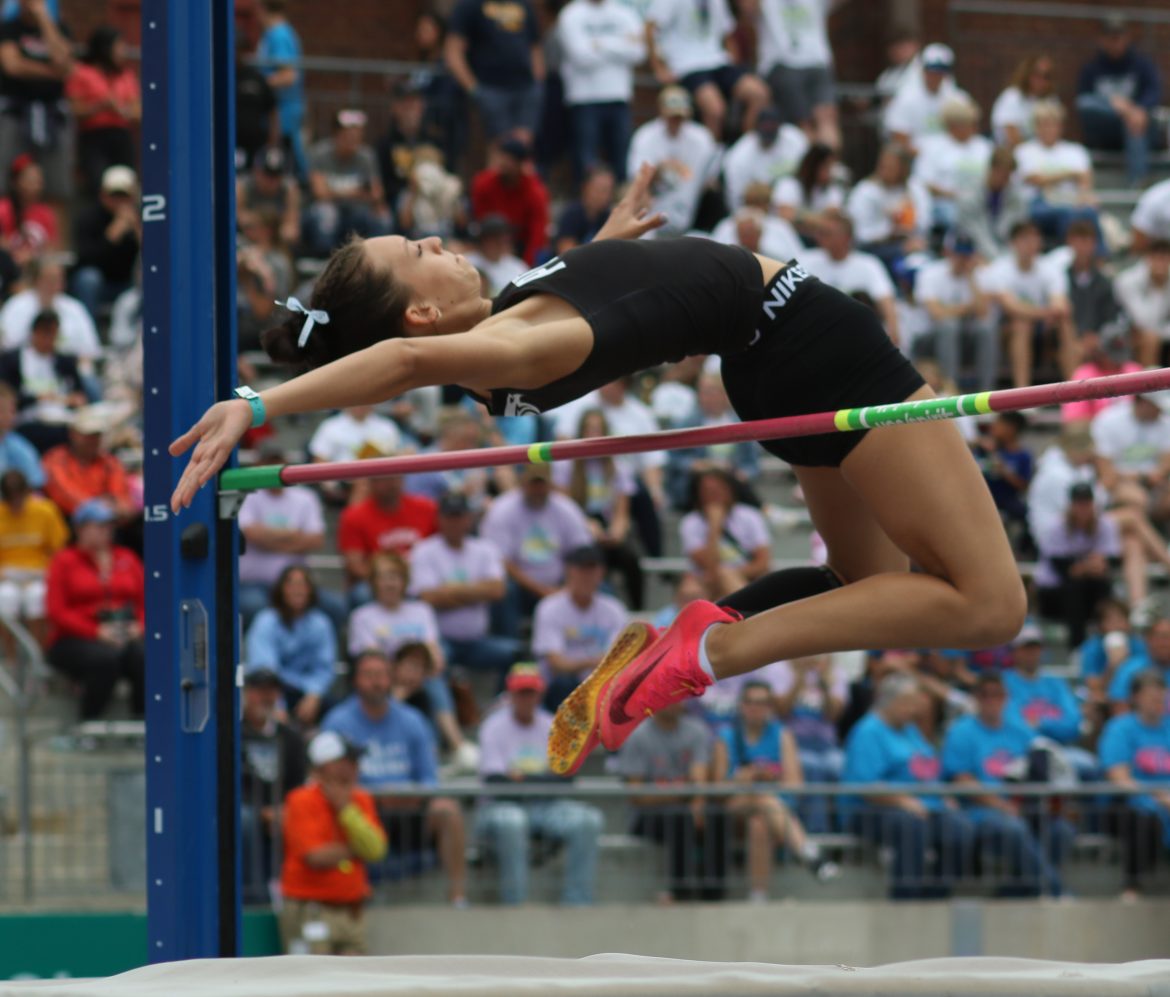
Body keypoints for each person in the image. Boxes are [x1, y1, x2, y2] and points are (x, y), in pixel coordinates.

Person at [168, 164, 1029, 785]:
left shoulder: (509, 326)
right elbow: (400, 362)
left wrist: (612, 244)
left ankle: (705, 625)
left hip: (768, 366)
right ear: (423, 312)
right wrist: (258, 403)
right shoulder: (518, 343)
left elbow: (604, 302)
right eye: (415, 248)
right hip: (811, 339)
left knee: (866, 584)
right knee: (990, 603)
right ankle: (716, 646)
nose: (435, 236)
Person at [320, 649, 467, 906]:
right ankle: (352, 893)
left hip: (409, 807)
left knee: (448, 810)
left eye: (382, 675)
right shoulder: (338, 721)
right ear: (355, 680)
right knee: (342, 807)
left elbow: (429, 777)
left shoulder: (412, 720)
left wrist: (412, 794)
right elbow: (329, 778)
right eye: (369, 675)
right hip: (364, 807)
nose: (377, 682)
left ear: (391, 679)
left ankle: (457, 897)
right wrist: (376, 796)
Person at [475, 662, 604, 905]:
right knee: (512, 821)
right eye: (521, 692)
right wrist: (543, 779)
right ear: (510, 694)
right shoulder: (493, 727)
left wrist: (521, 779)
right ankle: (515, 903)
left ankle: (578, 901)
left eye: (531, 692)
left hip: (546, 804)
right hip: (500, 806)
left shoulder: (552, 724)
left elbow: (567, 778)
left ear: (540, 693)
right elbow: (495, 782)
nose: (526, 698)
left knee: (588, 820)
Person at [842, 673, 975, 900]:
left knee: (959, 828)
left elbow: (929, 768)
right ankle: (906, 899)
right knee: (911, 826)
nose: (914, 710)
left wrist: (944, 796)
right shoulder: (868, 731)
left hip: (923, 806)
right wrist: (903, 801)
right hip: (873, 811)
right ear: (889, 701)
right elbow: (865, 785)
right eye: (908, 703)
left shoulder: (910, 730)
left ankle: (936, 897)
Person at [941, 671, 1071, 897]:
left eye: (997, 695)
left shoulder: (1020, 730)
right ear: (976, 698)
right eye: (985, 695)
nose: (992, 700)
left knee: (1061, 831)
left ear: (1006, 698)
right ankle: (1054, 891)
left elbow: (1037, 769)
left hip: (1021, 806)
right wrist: (1001, 805)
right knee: (1013, 828)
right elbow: (962, 780)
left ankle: (1015, 892)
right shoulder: (961, 732)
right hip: (979, 812)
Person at [711, 679, 838, 900]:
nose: (755, 708)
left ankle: (758, 896)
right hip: (734, 807)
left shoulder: (782, 735)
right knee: (762, 799)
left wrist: (772, 778)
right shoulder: (726, 738)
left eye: (761, 703)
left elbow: (795, 785)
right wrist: (743, 778)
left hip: (773, 811)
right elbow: (718, 789)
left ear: (770, 707)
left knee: (759, 823)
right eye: (750, 702)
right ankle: (807, 851)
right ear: (741, 705)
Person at [345, 551, 464, 755]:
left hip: (423, 675)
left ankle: (454, 746)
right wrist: (402, 673)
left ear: (405, 582)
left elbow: (433, 650)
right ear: (374, 583)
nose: (390, 584)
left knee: (435, 681)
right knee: (393, 687)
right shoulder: (362, 616)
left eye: (396, 577)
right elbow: (370, 659)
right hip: (384, 679)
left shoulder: (421, 610)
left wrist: (418, 670)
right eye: (384, 578)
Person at [279, 730, 386, 954]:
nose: (355, 766)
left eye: (355, 761)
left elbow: (376, 850)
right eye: (347, 760)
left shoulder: (361, 799)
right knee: (311, 983)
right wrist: (357, 849)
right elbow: (315, 856)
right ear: (326, 764)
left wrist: (345, 809)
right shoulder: (301, 800)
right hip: (310, 910)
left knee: (356, 984)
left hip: (351, 911)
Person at [619, 702, 730, 902]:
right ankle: (681, 892)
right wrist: (682, 795)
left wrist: (697, 802)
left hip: (684, 806)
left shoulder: (696, 730)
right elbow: (637, 795)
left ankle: (715, 893)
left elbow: (699, 775)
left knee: (715, 814)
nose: (675, 702)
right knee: (679, 816)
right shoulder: (639, 736)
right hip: (647, 815)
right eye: (669, 697)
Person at [45, 499, 144, 720]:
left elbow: (145, 601)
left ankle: (143, 723)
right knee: (104, 659)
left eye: (109, 525)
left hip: (124, 631)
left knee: (143, 656)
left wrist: (140, 625)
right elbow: (57, 612)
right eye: (99, 525)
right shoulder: (64, 561)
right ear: (80, 528)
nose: (106, 531)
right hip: (74, 638)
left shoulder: (126, 557)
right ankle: (89, 722)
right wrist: (95, 632)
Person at [410, 490, 518, 680]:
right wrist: (477, 591)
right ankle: (444, 710)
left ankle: (502, 706)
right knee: (432, 661)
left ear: (468, 519)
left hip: (478, 641)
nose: (454, 522)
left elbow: (498, 590)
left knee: (518, 654)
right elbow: (428, 597)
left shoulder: (485, 549)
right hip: (440, 641)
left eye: (458, 516)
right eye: (449, 516)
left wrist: (449, 590)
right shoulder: (424, 550)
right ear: (439, 519)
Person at [479, 464, 593, 639]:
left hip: (562, 584)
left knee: (595, 584)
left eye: (542, 484)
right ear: (522, 482)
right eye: (534, 483)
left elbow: (581, 554)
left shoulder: (566, 508)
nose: (538, 489)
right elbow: (501, 561)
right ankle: (512, 650)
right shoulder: (502, 509)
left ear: (551, 484)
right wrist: (542, 590)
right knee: (504, 589)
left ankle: (589, 648)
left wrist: (569, 587)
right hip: (521, 588)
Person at [553, 408, 643, 608]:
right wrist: (587, 527)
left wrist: (615, 533)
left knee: (631, 558)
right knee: (590, 556)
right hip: (576, 523)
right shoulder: (566, 465)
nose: (593, 434)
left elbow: (622, 511)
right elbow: (564, 505)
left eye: (598, 429)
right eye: (589, 429)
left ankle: (638, 609)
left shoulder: (618, 467)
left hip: (606, 523)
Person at [644, 0, 769, 141]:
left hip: (718, 61)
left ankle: (745, 152)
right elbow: (649, 28)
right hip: (686, 65)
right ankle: (711, 158)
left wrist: (732, 58)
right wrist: (658, 68)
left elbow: (727, 32)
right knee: (715, 110)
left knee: (759, 93)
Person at [236, 446, 332, 630]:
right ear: (258, 465)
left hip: (298, 583)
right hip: (255, 584)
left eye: (277, 462)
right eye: (269, 463)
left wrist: (268, 540)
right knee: (255, 607)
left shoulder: (306, 496)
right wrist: (292, 535)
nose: (273, 467)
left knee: (334, 608)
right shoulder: (246, 493)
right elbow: (251, 534)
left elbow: (316, 540)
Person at [1100, 669, 1170, 900]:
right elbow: (1118, 776)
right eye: (1152, 697)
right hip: (1131, 805)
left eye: (1161, 697)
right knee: (1142, 818)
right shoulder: (1120, 728)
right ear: (1136, 698)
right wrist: (1157, 796)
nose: (1158, 702)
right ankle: (1133, 886)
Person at [531, 543, 628, 711]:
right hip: (563, 686)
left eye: (592, 570)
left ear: (601, 573)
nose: (587, 576)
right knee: (563, 682)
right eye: (581, 569)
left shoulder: (614, 609)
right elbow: (556, 663)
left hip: (601, 683)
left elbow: (618, 659)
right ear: (570, 571)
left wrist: (580, 663)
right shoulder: (550, 607)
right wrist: (593, 661)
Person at [976, 219, 1070, 389]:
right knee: (1021, 324)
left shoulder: (1050, 268)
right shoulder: (999, 269)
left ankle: (1076, 392)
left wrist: (1052, 313)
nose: (1031, 244)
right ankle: (1023, 390)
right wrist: (1046, 313)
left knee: (1065, 321)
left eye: (1034, 238)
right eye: (1025, 238)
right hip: (1005, 331)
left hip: (1043, 328)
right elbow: (1011, 307)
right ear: (1013, 243)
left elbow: (1060, 305)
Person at [556, 0, 643, 183]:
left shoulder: (624, 13)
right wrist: (619, 44)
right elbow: (580, 55)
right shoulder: (571, 14)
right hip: (583, 99)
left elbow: (638, 52)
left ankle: (620, 206)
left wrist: (597, 43)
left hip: (618, 96)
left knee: (622, 160)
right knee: (586, 163)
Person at [240, 667, 306, 904]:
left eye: (271, 691)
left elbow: (298, 782)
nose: (266, 697)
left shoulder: (291, 737)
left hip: (283, 807)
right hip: (246, 808)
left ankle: (299, 897)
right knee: (245, 821)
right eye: (259, 691)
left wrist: (285, 809)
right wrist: (263, 811)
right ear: (247, 693)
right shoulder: (232, 734)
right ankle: (254, 896)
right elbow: (231, 782)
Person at [245, 564, 338, 729]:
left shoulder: (321, 623)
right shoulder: (266, 621)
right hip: (273, 691)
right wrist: (277, 705)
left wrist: (314, 695)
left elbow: (324, 668)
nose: (297, 590)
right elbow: (265, 668)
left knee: (334, 708)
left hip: (307, 691)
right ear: (281, 590)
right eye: (291, 584)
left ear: (311, 591)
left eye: (303, 585)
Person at [1076, 15, 1161, 188]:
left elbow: (1155, 91)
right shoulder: (1092, 68)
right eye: (1110, 37)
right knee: (1085, 103)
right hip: (1105, 127)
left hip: (1136, 127)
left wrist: (1136, 110)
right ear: (1102, 39)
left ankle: (1137, 183)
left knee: (1134, 123)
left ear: (1127, 37)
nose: (1115, 42)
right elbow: (1083, 99)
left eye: (1118, 37)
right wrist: (1114, 104)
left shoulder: (1141, 64)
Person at [0, 0, 73, 202]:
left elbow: (65, 65)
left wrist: (44, 19)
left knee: (56, 187)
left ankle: (54, 233)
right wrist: (52, 72)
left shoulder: (60, 29)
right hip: (16, 111)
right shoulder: (9, 28)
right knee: (6, 180)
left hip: (53, 115)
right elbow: (12, 66)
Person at [1033, 483, 1120, 649]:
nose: (1083, 509)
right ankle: (1077, 646)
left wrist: (1091, 566)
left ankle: (1108, 639)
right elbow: (1063, 569)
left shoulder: (1105, 524)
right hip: (1053, 594)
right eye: (1079, 504)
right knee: (1075, 588)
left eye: (1086, 503)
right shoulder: (1056, 527)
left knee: (1101, 586)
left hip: (1088, 590)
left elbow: (1111, 559)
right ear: (1071, 505)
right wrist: (1090, 565)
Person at [446, 0, 543, 145]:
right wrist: (475, 89)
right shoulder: (469, 5)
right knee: (500, 149)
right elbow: (453, 51)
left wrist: (537, 86)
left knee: (524, 148)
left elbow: (535, 48)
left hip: (526, 88)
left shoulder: (524, 4)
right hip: (490, 88)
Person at [626, 87, 717, 237]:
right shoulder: (645, 137)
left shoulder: (702, 139)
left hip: (690, 214)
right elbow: (637, 181)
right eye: (672, 117)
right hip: (652, 216)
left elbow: (710, 180)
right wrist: (657, 174)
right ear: (661, 112)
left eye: (679, 117)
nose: (676, 121)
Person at [751, 0, 841, 149]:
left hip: (817, 61)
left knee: (827, 117)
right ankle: (813, 168)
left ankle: (827, 166)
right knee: (803, 123)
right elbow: (747, 9)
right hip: (783, 63)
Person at [801, 209, 899, 344]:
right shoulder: (805, 260)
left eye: (827, 233)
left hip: (857, 333)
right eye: (819, 232)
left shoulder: (868, 264)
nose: (820, 237)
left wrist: (893, 331)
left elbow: (885, 299)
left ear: (846, 237)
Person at [913, 230, 995, 390]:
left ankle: (987, 391)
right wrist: (966, 308)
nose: (962, 260)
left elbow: (984, 313)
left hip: (964, 336)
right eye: (958, 254)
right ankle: (951, 390)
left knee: (986, 328)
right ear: (948, 252)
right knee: (949, 326)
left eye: (967, 255)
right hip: (930, 338)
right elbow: (936, 313)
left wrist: (971, 277)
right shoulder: (931, 273)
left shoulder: (978, 275)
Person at [305, 110, 392, 258]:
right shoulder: (320, 153)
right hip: (328, 210)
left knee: (383, 217)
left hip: (357, 211)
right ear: (336, 133)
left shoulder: (366, 156)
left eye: (357, 133)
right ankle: (323, 259)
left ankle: (376, 261)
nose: (353, 137)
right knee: (326, 214)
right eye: (347, 133)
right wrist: (356, 192)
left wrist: (338, 192)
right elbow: (320, 193)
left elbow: (377, 193)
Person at [337, 475, 437, 602]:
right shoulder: (354, 516)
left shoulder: (426, 507)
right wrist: (391, 578)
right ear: (371, 483)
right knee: (362, 594)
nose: (392, 483)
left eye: (396, 477)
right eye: (385, 478)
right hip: (380, 581)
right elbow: (355, 566)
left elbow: (443, 548)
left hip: (422, 577)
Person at [65, 25, 138, 196]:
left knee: (125, 183)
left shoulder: (125, 75)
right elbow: (73, 109)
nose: (123, 51)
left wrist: (121, 109)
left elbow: (137, 110)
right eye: (118, 46)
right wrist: (99, 106)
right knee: (97, 184)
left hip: (120, 135)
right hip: (94, 137)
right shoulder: (83, 73)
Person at [1014, 101, 1099, 247]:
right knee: (1067, 214)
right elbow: (1036, 179)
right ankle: (1069, 254)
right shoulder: (1024, 151)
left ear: (1060, 127)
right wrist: (1070, 173)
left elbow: (1086, 179)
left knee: (1089, 212)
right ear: (1036, 126)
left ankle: (1098, 258)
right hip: (1037, 203)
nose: (1049, 129)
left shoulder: (1076, 151)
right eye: (1044, 124)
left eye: (1053, 124)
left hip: (1071, 200)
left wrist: (1085, 195)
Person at [679, 466, 769, 600]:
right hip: (709, 583)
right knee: (691, 589)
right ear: (698, 494)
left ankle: (745, 612)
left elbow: (763, 563)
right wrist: (714, 527)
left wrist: (733, 573)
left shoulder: (750, 516)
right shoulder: (690, 523)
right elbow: (708, 568)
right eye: (708, 491)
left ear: (730, 489)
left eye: (718, 489)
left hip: (748, 578)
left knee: (725, 575)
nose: (715, 494)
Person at [912, 93, 993, 232]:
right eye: (965, 124)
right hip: (947, 204)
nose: (972, 128)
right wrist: (954, 195)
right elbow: (924, 182)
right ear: (952, 126)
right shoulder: (933, 147)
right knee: (958, 215)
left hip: (981, 202)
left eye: (972, 124)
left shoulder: (985, 147)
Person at [0, 466, 63, 643]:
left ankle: (38, 656)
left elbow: (58, 549)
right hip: (6, 577)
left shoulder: (45, 511)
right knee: (6, 599)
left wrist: (50, 573)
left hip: (39, 574)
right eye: (10, 498)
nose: (16, 503)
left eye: (19, 496)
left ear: (27, 492)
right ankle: (11, 661)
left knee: (38, 597)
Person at [845, 144, 928, 276]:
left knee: (920, 260)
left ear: (903, 169)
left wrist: (906, 230)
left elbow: (924, 223)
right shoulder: (865, 191)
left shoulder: (915, 189)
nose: (885, 170)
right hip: (872, 247)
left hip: (908, 242)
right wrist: (888, 233)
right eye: (882, 165)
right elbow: (858, 232)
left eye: (891, 167)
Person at [71, 164, 141, 319]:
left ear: (133, 197)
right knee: (88, 279)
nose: (118, 201)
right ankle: (89, 332)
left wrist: (137, 230)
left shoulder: (141, 218)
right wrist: (113, 233)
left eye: (124, 196)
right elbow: (85, 258)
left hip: (128, 284)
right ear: (103, 195)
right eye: (114, 195)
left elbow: (152, 259)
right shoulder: (88, 218)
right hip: (101, 284)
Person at [41, 404, 134, 522]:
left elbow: (122, 501)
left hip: (109, 523)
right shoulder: (55, 460)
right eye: (87, 435)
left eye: (97, 434)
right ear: (73, 433)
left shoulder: (110, 462)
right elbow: (64, 495)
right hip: (69, 523)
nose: (93, 439)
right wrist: (99, 507)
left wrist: (113, 507)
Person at [2, 258, 99, 364]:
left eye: (59, 279)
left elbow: (90, 350)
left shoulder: (75, 308)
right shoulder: (15, 307)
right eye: (49, 279)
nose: (55, 284)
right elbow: (6, 346)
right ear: (36, 280)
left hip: (65, 372)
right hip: (22, 370)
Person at [469, 138, 549, 266]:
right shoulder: (483, 183)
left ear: (520, 164)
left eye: (509, 159)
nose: (503, 163)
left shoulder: (535, 192)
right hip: (489, 239)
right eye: (502, 157)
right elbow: (480, 219)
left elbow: (537, 235)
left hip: (519, 245)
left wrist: (526, 266)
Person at [721, 107, 809, 213]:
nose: (768, 130)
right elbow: (736, 200)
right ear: (756, 128)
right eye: (765, 127)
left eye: (772, 127)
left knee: (787, 187)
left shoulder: (795, 139)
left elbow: (809, 172)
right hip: (757, 212)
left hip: (796, 205)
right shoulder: (739, 157)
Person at [256, 0, 306, 179]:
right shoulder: (275, 34)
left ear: (261, 9)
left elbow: (289, 75)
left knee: (286, 163)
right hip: (279, 112)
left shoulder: (279, 35)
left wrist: (259, 84)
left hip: (283, 114)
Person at [954, 146, 1029, 263]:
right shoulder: (969, 195)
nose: (1007, 179)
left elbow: (1016, 232)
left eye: (1009, 175)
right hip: (976, 252)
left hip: (1007, 256)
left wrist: (1008, 259)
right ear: (992, 170)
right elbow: (974, 233)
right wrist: (996, 258)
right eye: (1004, 174)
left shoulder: (1016, 197)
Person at [883, 43, 962, 152]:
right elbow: (899, 136)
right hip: (915, 158)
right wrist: (926, 158)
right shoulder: (906, 98)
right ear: (923, 70)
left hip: (949, 159)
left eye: (941, 71)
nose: (936, 75)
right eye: (932, 70)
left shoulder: (958, 99)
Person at [973, 412, 1032, 543]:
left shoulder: (1022, 455)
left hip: (1006, 500)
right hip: (980, 498)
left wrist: (1004, 470)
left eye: (999, 424)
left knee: (1027, 515)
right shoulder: (983, 448)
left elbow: (1023, 486)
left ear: (1011, 428)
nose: (993, 427)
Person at [771, 143, 846, 238]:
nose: (830, 172)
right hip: (788, 238)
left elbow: (831, 222)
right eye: (826, 167)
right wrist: (817, 219)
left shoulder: (833, 191)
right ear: (814, 166)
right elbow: (785, 215)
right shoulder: (788, 185)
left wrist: (799, 216)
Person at [1115, 241, 1170, 368]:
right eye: (1156, 257)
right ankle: (1149, 386)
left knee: (1153, 337)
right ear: (1147, 258)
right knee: (1150, 339)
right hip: (1126, 334)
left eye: (1164, 257)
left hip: (1160, 335)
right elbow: (1144, 322)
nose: (1160, 263)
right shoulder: (1127, 281)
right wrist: (1158, 287)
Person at [236, 146, 300, 254]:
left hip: (275, 244)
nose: (271, 181)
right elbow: (239, 218)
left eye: (276, 175)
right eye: (267, 174)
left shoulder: (289, 190)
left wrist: (269, 232)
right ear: (256, 171)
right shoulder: (243, 186)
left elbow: (292, 229)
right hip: (246, 241)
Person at [1107, 617, 1170, 717]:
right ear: (1148, 640)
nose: (1165, 643)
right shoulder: (1130, 669)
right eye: (1162, 637)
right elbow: (1119, 708)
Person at [991, 53, 1056, 148]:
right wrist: (1029, 154)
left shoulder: (1051, 100)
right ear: (1027, 74)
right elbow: (1011, 134)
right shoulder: (1012, 97)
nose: (1041, 80)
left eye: (1046, 76)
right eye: (1037, 74)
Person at [0, 154, 55, 264]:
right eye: (30, 180)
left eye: (38, 180)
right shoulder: (3, 209)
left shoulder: (46, 213)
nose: (36, 185)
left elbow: (52, 248)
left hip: (37, 269)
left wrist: (33, 256)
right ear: (15, 181)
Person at [554, 165, 615, 256]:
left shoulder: (608, 216)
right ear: (585, 188)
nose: (605, 196)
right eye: (601, 190)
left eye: (609, 191)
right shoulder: (571, 215)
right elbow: (566, 255)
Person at [466, 214, 527, 296]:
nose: (501, 242)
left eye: (504, 237)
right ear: (483, 240)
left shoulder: (518, 266)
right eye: (495, 238)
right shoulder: (467, 263)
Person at [0, 382, 41, 487]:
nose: (13, 416)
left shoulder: (18, 445)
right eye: (10, 411)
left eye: (13, 411)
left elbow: (35, 484)